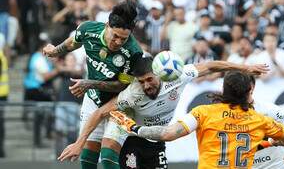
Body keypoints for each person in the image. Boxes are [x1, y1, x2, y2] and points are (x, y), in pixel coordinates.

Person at [58, 57, 269, 169]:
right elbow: (101, 112)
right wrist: (79, 141)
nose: (146, 86)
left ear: (160, 74)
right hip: (133, 139)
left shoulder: (176, 75)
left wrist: (245, 68)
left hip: (157, 141)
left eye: (150, 79)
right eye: (141, 82)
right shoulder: (132, 93)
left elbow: (211, 66)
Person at [109, 71, 284, 169]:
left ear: (224, 90)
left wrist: (135, 128)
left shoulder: (204, 112)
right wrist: (266, 142)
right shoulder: (260, 120)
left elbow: (167, 134)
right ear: (248, 92)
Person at [43, 0, 143, 169]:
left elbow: (121, 86)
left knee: (108, 157)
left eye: (123, 39)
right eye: (115, 36)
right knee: (87, 157)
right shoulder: (88, 29)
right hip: (93, 100)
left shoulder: (133, 52)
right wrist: (54, 51)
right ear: (107, 25)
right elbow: (71, 43)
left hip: (119, 104)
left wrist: (89, 83)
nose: (118, 42)